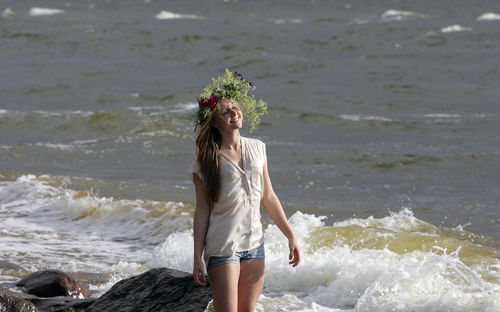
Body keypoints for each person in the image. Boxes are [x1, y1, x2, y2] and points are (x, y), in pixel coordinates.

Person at [189, 69, 301, 312]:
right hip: (223, 246)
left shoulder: (258, 148)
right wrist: (197, 256)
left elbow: (268, 197)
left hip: (254, 245)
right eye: (226, 112)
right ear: (215, 122)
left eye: (235, 108)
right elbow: (202, 209)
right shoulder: (207, 158)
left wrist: (290, 235)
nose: (234, 113)